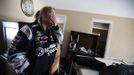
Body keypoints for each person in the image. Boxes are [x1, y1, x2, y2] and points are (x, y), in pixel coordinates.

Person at [7, 6, 64, 75]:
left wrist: (56, 27)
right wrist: (28, 71)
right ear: (44, 15)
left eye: (54, 15)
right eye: (52, 15)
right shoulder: (28, 29)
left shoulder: (52, 30)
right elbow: (13, 55)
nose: (55, 18)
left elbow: (60, 40)